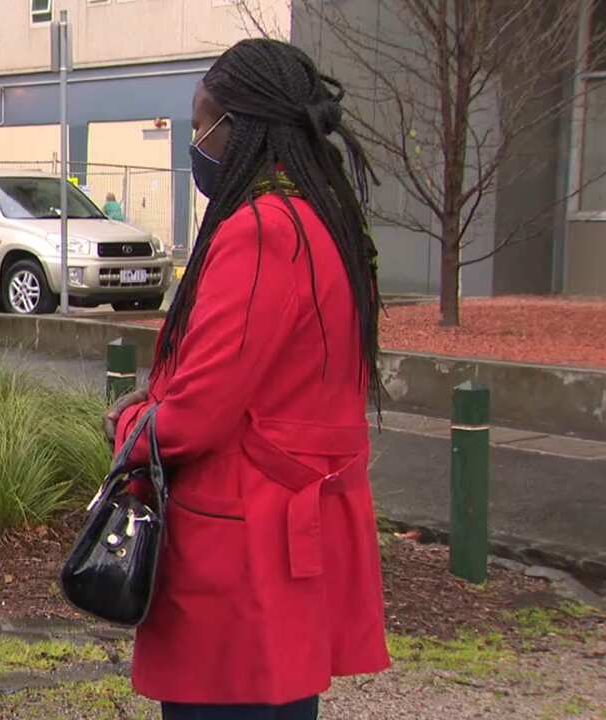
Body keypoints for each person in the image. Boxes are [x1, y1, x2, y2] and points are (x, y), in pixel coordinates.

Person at [101, 39, 389, 720]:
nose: (195, 141)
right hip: (289, 541)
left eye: (202, 124)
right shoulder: (326, 219)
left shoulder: (263, 229)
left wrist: (130, 426)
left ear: (243, 125)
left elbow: (201, 413)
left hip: (240, 555)